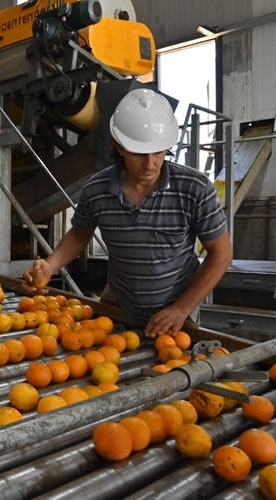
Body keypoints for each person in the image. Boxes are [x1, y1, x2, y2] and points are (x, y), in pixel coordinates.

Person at [24, 88, 232, 338]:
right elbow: (80, 234)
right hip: (117, 307)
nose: (150, 164)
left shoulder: (194, 189)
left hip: (177, 312)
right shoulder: (97, 190)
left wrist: (181, 309)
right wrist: (50, 265)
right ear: (119, 147)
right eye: (139, 153)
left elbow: (221, 254)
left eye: (158, 152)